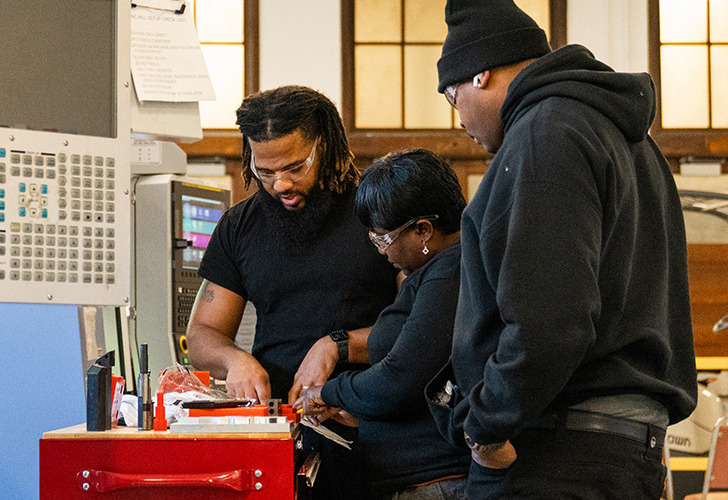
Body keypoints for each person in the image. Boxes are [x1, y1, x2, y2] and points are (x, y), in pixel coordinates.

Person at [429, 0, 697, 498]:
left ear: (480, 73)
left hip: (562, 448)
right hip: (619, 446)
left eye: (452, 95)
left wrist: (486, 425)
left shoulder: (546, 133)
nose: (458, 118)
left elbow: (551, 317)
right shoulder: (625, 136)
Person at [188, 85, 399, 499]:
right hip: (283, 436)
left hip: (375, 433)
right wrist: (236, 362)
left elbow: (419, 327)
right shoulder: (239, 227)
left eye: (294, 167)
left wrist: (336, 346)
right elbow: (202, 336)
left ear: (322, 144)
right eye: (264, 172)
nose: (280, 184)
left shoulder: (377, 212)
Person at [296, 149, 470, 500]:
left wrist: (328, 392)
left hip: (438, 480)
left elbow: (402, 376)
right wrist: (361, 409)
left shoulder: (449, 275)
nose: (380, 251)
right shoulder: (434, 275)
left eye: (382, 238)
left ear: (423, 230)